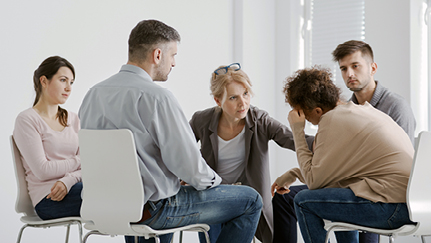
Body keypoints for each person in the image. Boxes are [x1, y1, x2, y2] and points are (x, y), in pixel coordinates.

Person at [78, 19, 263, 243]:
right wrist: (217, 183)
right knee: (251, 200)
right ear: (158, 55)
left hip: (105, 208)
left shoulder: (93, 94)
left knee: (160, 193)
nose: (174, 63)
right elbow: (190, 167)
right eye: (173, 55)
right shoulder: (157, 97)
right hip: (153, 211)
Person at [271, 40, 416, 243]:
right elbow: (333, 176)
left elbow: (314, 183)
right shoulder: (358, 110)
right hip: (409, 205)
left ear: (318, 111)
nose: (306, 120)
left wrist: (297, 130)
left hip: (391, 208)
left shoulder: (332, 121)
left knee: (303, 201)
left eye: (303, 115)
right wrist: (294, 173)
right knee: (337, 192)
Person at [189, 63, 314, 243]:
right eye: (233, 97)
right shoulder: (202, 120)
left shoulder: (259, 120)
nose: (243, 103)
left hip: (247, 201)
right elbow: (179, 150)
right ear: (218, 100)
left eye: (245, 94)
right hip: (213, 197)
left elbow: (293, 139)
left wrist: (325, 142)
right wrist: (184, 175)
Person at [13, 56, 82, 220]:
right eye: (63, 80)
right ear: (44, 81)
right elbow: (42, 171)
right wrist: (80, 161)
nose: (68, 88)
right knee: (118, 196)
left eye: (71, 82)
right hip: (49, 198)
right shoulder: (27, 120)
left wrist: (69, 180)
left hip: (76, 186)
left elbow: (92, 165)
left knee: (129, 195)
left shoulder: (74, 119)